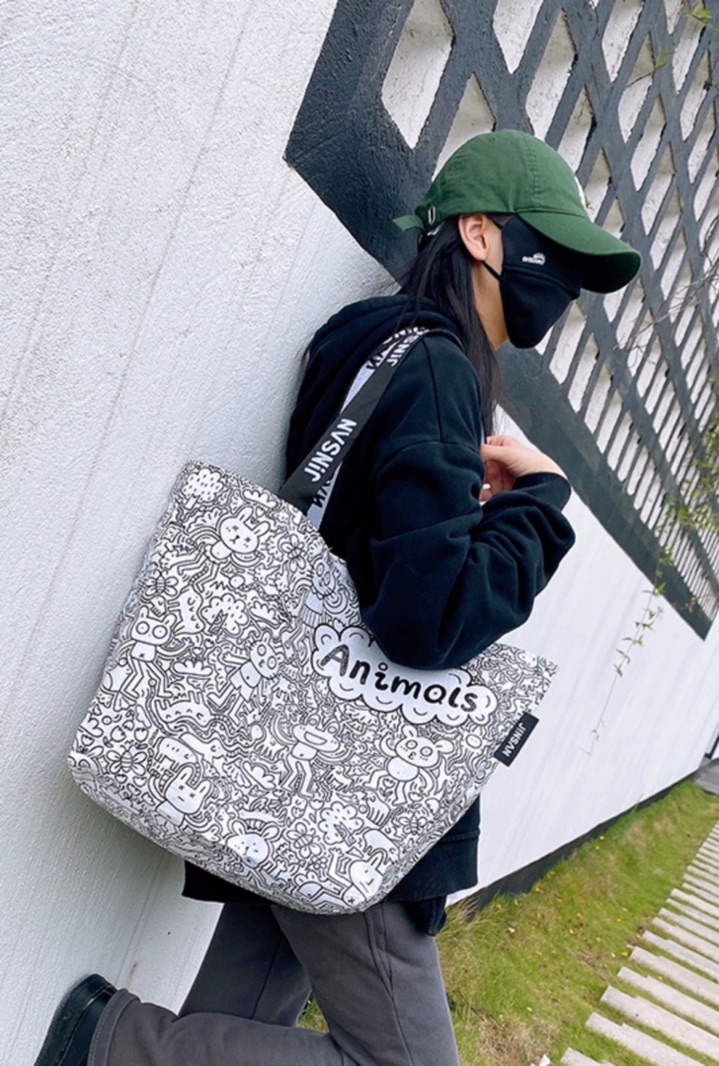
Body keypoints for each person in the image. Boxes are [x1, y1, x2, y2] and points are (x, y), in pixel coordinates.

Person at [35, 129, 640, 1066]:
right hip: (347, 772)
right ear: (480, 232)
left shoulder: (375, 343)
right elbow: (426, 621)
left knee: (251, 1014)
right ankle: (110, 1043)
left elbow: (369, 544)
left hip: (295, 744)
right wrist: (540, 507)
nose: (563, 282)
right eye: (552, 251)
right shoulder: (437, 368)